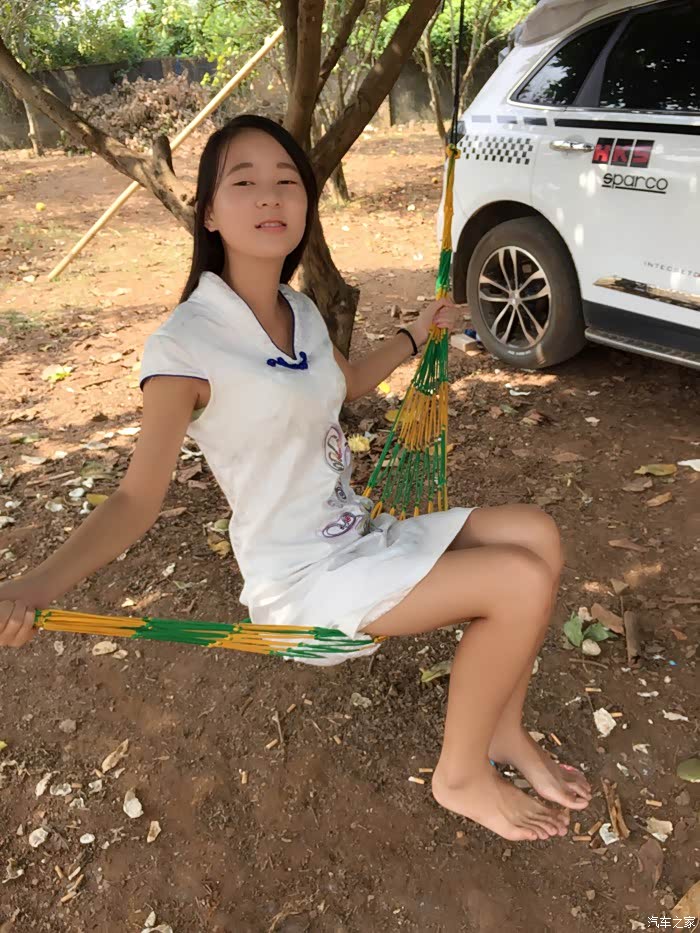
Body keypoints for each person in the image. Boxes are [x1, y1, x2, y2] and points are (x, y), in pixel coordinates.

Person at [0, 114, 591, 841]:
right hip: (301, 582)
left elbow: (345, 385)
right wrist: (34, 587)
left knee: (537, 534)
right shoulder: (183, 347)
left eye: (287, 181)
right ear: (208, 213)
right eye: (244, 182)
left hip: (358, 534)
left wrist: (418, 332)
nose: (270, 196)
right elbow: (133, 499)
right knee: (518, 581)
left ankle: (503, 731)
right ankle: (460, 774)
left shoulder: (300, 309)